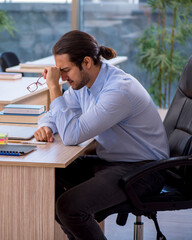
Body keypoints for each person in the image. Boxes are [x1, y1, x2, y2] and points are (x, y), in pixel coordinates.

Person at [34, 30, 169, 240]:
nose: (62, 77)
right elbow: (59, 112)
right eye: (59, 71)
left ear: (86, 62)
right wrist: (48, 126)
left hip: (144, 170)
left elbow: (72, 134)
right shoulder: (83, 83)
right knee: (45, 178)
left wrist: (53, 87)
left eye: (65, 70)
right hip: (113, 162)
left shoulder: (117, 91)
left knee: (70, 207)